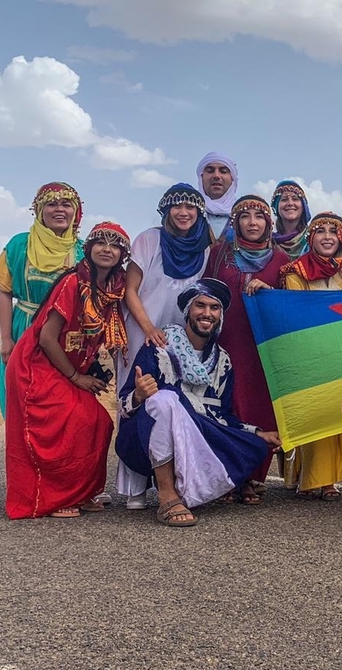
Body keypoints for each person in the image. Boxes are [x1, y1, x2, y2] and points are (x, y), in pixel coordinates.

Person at [115, 279, 282, 527]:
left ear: (220, 316)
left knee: (255, 446)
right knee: (165, 398)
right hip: (147, 437)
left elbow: (224, 416)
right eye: (200, 306)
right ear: (188, 311)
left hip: (199, 431)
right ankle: (167, 494)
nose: (207, 313)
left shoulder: (222, 360)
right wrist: (139, 395)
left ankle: (190, 487)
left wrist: (257, 432)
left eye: (214, 308)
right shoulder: (159, 347)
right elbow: (123, 405)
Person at [4, 222, 129, 519]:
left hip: (66, 365)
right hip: (36, 364)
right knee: (73, 420)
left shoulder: (113, 290)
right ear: (89, 248)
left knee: (99, 421)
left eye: (115, 245)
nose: (107, 249)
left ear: (122, 254)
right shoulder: (73, 283)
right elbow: (47, 338)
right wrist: (76, 378)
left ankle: (81, 492)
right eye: (101, 242)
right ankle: (53, 498)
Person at [116, 183, 212, 510]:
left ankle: (175, 482)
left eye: (190, 207)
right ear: (166, 210)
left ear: (199, 211)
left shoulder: (205, 247)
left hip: (181, 340)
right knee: (136, 396)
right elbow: (131, 290)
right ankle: (134, 488)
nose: (183, 213)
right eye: (177, 206)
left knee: (176, 403)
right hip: (143, 330)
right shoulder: (149, 240)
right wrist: (148, 329)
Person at [204, 195, 291, 499]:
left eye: (259, 216)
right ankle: (229, 476)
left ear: (269, 223)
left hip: (264, 348)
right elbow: (205, 295)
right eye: (245, 216)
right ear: (236, 222)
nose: (252, 222)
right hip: (227, 343)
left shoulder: (281, 260)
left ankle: (254, 475)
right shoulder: (218, 254)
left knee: (260, 406)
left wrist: (269, 292)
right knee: (229, 406)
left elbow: (291, 304)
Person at [280, 212, 342, 500]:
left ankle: (331, 479)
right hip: (310, 354)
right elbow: (300, 309)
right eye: (320, 231)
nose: (327, 236)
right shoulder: (294, 272)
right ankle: (312, 477)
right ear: (310, 237)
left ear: (341, 238)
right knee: (315, 416)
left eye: (333, 231)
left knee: (340, 417)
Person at [0, 182, 83, 417]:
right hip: (22, 330)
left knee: (60, 408)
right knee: (23, 406)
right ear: (39, 210)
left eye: (66, 204)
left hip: (62, 339)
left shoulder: (83, 252)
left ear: (75, 211)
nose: (59, 210)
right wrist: (6, 339)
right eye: (51, 204)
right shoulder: (19, 246)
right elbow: (4, 292)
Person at [196, 152, 238, 244]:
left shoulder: (243, 214)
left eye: (223, 171)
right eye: (210, 171)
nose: (216, 176)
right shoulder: (190, 213)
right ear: (201, 177)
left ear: (232, 179)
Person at [270, 180, 311, 260]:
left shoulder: (313, 239)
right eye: (284, 199)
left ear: (303, 206)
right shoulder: (268, 243)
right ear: (277, 207)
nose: (290, 203)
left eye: (295, 199)